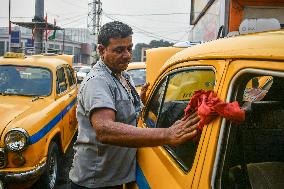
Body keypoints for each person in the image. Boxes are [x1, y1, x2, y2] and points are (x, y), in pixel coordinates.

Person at [69, 21, 200, 189]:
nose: (127, 55)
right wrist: (168, 134)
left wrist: (143, 101)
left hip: (115, 177)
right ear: (102, 50)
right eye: (119, 50)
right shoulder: (98, 82)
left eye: (129, 49)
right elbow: (104, 129)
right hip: (96, 182)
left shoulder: (124, 77)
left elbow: (124, 112)